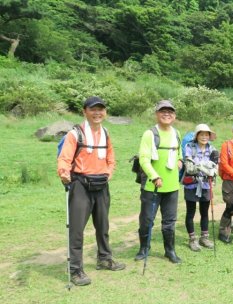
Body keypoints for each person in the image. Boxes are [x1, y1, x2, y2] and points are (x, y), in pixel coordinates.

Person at [57, 96, 125, 286]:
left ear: (105, 112)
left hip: (101, 185)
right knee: (77, 229)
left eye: (101, 109)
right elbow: (64, 158)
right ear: (84, 111)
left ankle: (104, 258)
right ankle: (75, 269)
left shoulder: (106, 133)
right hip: (80, 185)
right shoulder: (75, 134)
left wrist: (109, 172)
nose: (97, 113)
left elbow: (111, 158)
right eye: (93, 109)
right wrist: (63, 173)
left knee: (103, 226)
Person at [134, 100, 183, 264]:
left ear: (174, 115)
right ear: (157, 114)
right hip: (152, 186)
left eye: (170, 111)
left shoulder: (177, 133)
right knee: (147, 220)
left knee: (170, 221)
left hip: (172, 186)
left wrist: (180, 161)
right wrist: (154, 176)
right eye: (163, 111)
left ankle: (170, 250)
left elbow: (179, 153)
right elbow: (144, 159)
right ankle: (143, 248)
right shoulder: (150, 134)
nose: (166, 114)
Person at [182, 124, 218, 251]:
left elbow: (215, 166)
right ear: (196, 136)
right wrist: (204, 167)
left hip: (206, 185)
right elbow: (190, 168)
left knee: (205, 212)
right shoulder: (189, 147)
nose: (204, 137)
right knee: (191, 212)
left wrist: (213, 171)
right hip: (192, 184)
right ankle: (192, 239)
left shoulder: (212, 149)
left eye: (206, 134)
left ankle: (204, 237)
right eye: (201, 134)